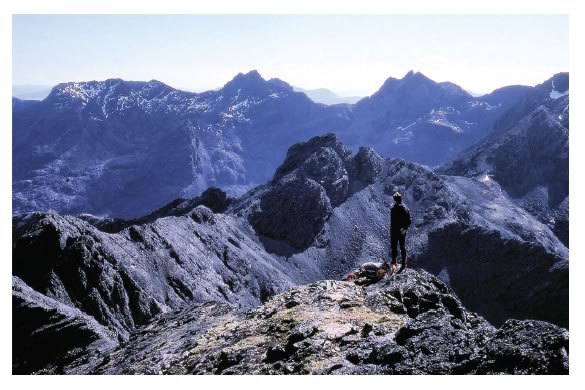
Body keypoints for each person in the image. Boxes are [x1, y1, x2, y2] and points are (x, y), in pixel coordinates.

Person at [384, 192, 411, 274]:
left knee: (394, 246)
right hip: (402, 231)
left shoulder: (394, 209)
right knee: (402, 246)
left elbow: (393, 222)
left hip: (394, 231)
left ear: (395, 199)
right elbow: (409, 221)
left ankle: (393, 262)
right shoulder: (405, 208)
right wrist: (404, 228)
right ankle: (403, 264)